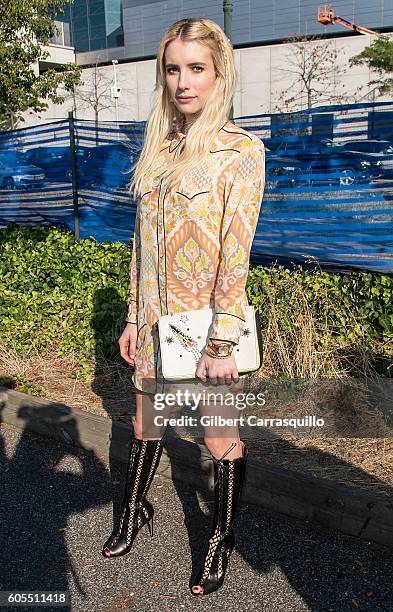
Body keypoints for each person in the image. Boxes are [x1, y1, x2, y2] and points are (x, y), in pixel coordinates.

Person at [101, 17, 265, 597]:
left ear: (219, 74)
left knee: (218, 437)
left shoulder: (239, 150)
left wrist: (223, 341)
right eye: (173, 69)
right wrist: (129, 316)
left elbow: (236, 251)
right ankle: (132, 511)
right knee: (147, 423)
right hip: (152, 323)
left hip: (207, 327)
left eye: (196, 69)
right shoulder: (160, 148)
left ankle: (218, 542)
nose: (182, 82)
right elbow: (141, 248)